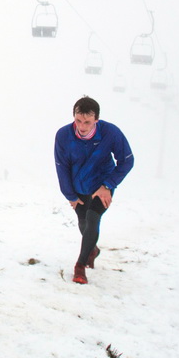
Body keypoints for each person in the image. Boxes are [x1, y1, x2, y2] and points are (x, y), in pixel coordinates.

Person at [53, 96, 134, 285]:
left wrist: (108, 185)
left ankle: (80, 266)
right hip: (78, 186)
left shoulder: (110, 133)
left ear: (96, 120)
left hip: (102, 186)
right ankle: (92, 250)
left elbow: (127, 160)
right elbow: (61, 166)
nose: (82, 126)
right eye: (78, 120)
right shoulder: (63, 135)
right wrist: (70, 195)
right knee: (83, 224)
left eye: (87, 122)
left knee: (92, 218)